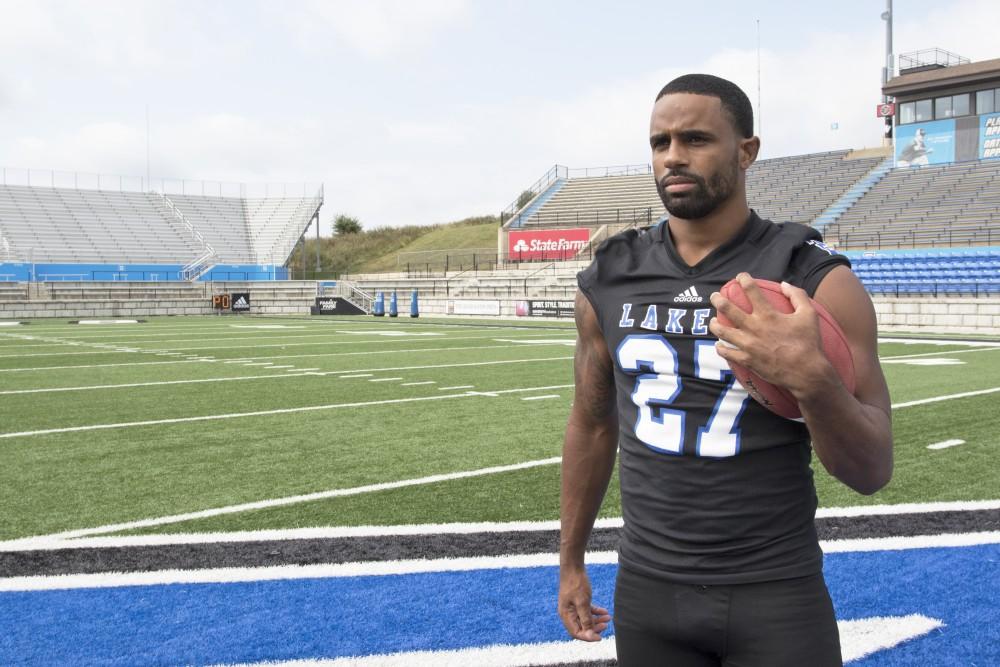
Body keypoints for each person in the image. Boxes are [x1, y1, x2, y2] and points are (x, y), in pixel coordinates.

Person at [557, 73, 893, 666]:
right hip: (647, 590)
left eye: (695, 139)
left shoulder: (814, 279)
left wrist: (811, 378)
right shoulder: (610, 275)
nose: (673, 158)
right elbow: (592, 424)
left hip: (775, 591)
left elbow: (871, 469)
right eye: (660, 143)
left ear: (746, 151)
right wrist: (571, 561)